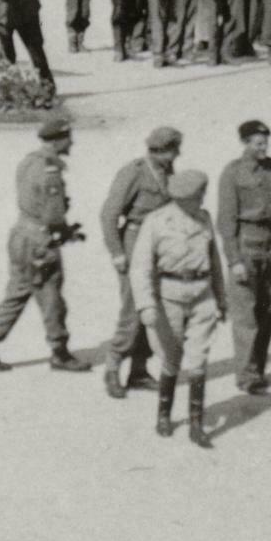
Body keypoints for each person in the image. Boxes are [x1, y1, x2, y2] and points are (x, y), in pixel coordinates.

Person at [0, 116, 85, 372]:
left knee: (17, 293)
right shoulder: (51, 172)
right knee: (51, 299)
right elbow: (53, 216)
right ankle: (60, 352)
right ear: (58, 140)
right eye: (68, 138)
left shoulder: (29, 161)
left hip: (20, 236)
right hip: (40, 243)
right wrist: (67, 232)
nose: (72, 143)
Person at [131, 166, 229, 446]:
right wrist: (146, 305)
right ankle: (164, 415)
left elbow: (215, 261)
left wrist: (221, 298)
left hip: (202, 296)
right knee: (171, 359)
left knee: (199, 359)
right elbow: (140, 267)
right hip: (169, 298)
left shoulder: (204, 218)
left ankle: (196, 425)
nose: (202, 200)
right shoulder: (156, 221)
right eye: (198, 196)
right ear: (183, 198)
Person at [214, 119, 271, 395]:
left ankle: (258, 369)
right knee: (245, 316)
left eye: (266, 142)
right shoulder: (232, 173)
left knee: (268, 310)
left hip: (270, 246)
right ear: (245, 143)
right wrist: (234, 260)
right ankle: (246, 376)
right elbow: (225, 222)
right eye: (258, 143)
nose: (264, 147)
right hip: (246, 245)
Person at [100, 126, 183, 399]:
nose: (176, 156)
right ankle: (112, 368)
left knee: (154, 309)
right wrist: (117, 252)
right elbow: (109, 214)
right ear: (157, 150)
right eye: (172, 151)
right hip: (134, 244)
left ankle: (139, 369)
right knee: (133, 309)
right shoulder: (134, 172)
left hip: (158, 246)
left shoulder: (167, 171)